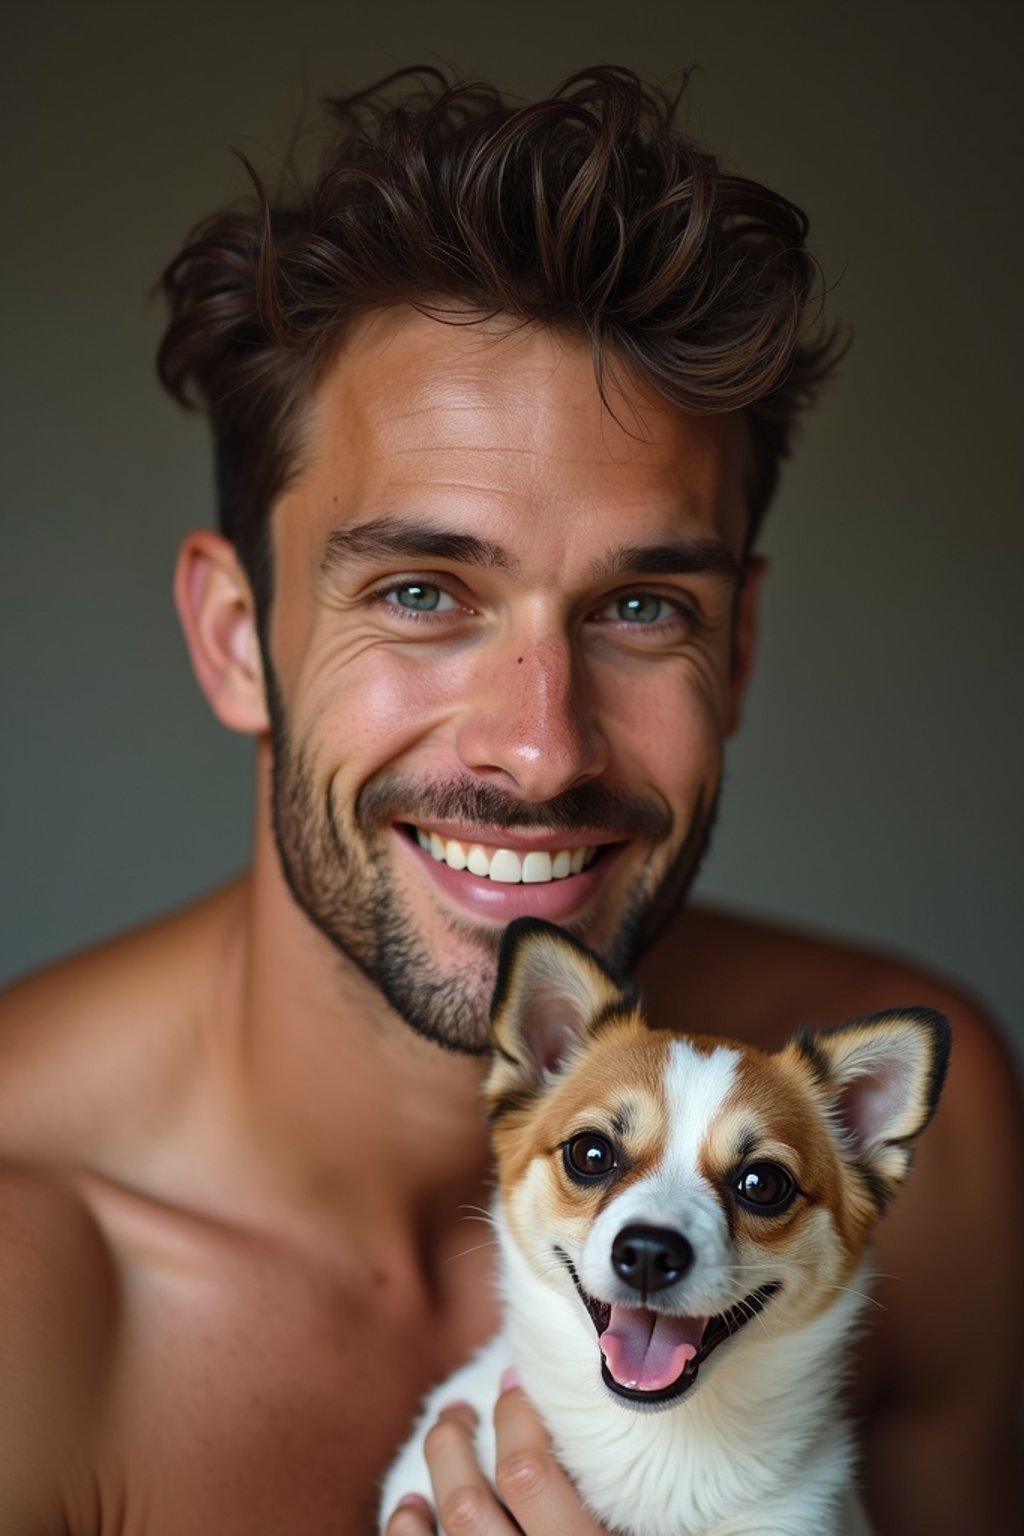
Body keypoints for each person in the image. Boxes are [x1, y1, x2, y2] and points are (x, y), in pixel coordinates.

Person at [0, 66, 1019, 1536]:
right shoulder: (32, 1287)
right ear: (238, 637)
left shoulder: (933, 1136)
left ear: (736, 654)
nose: (541, 751)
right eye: (422, 592)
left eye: (643, 608)